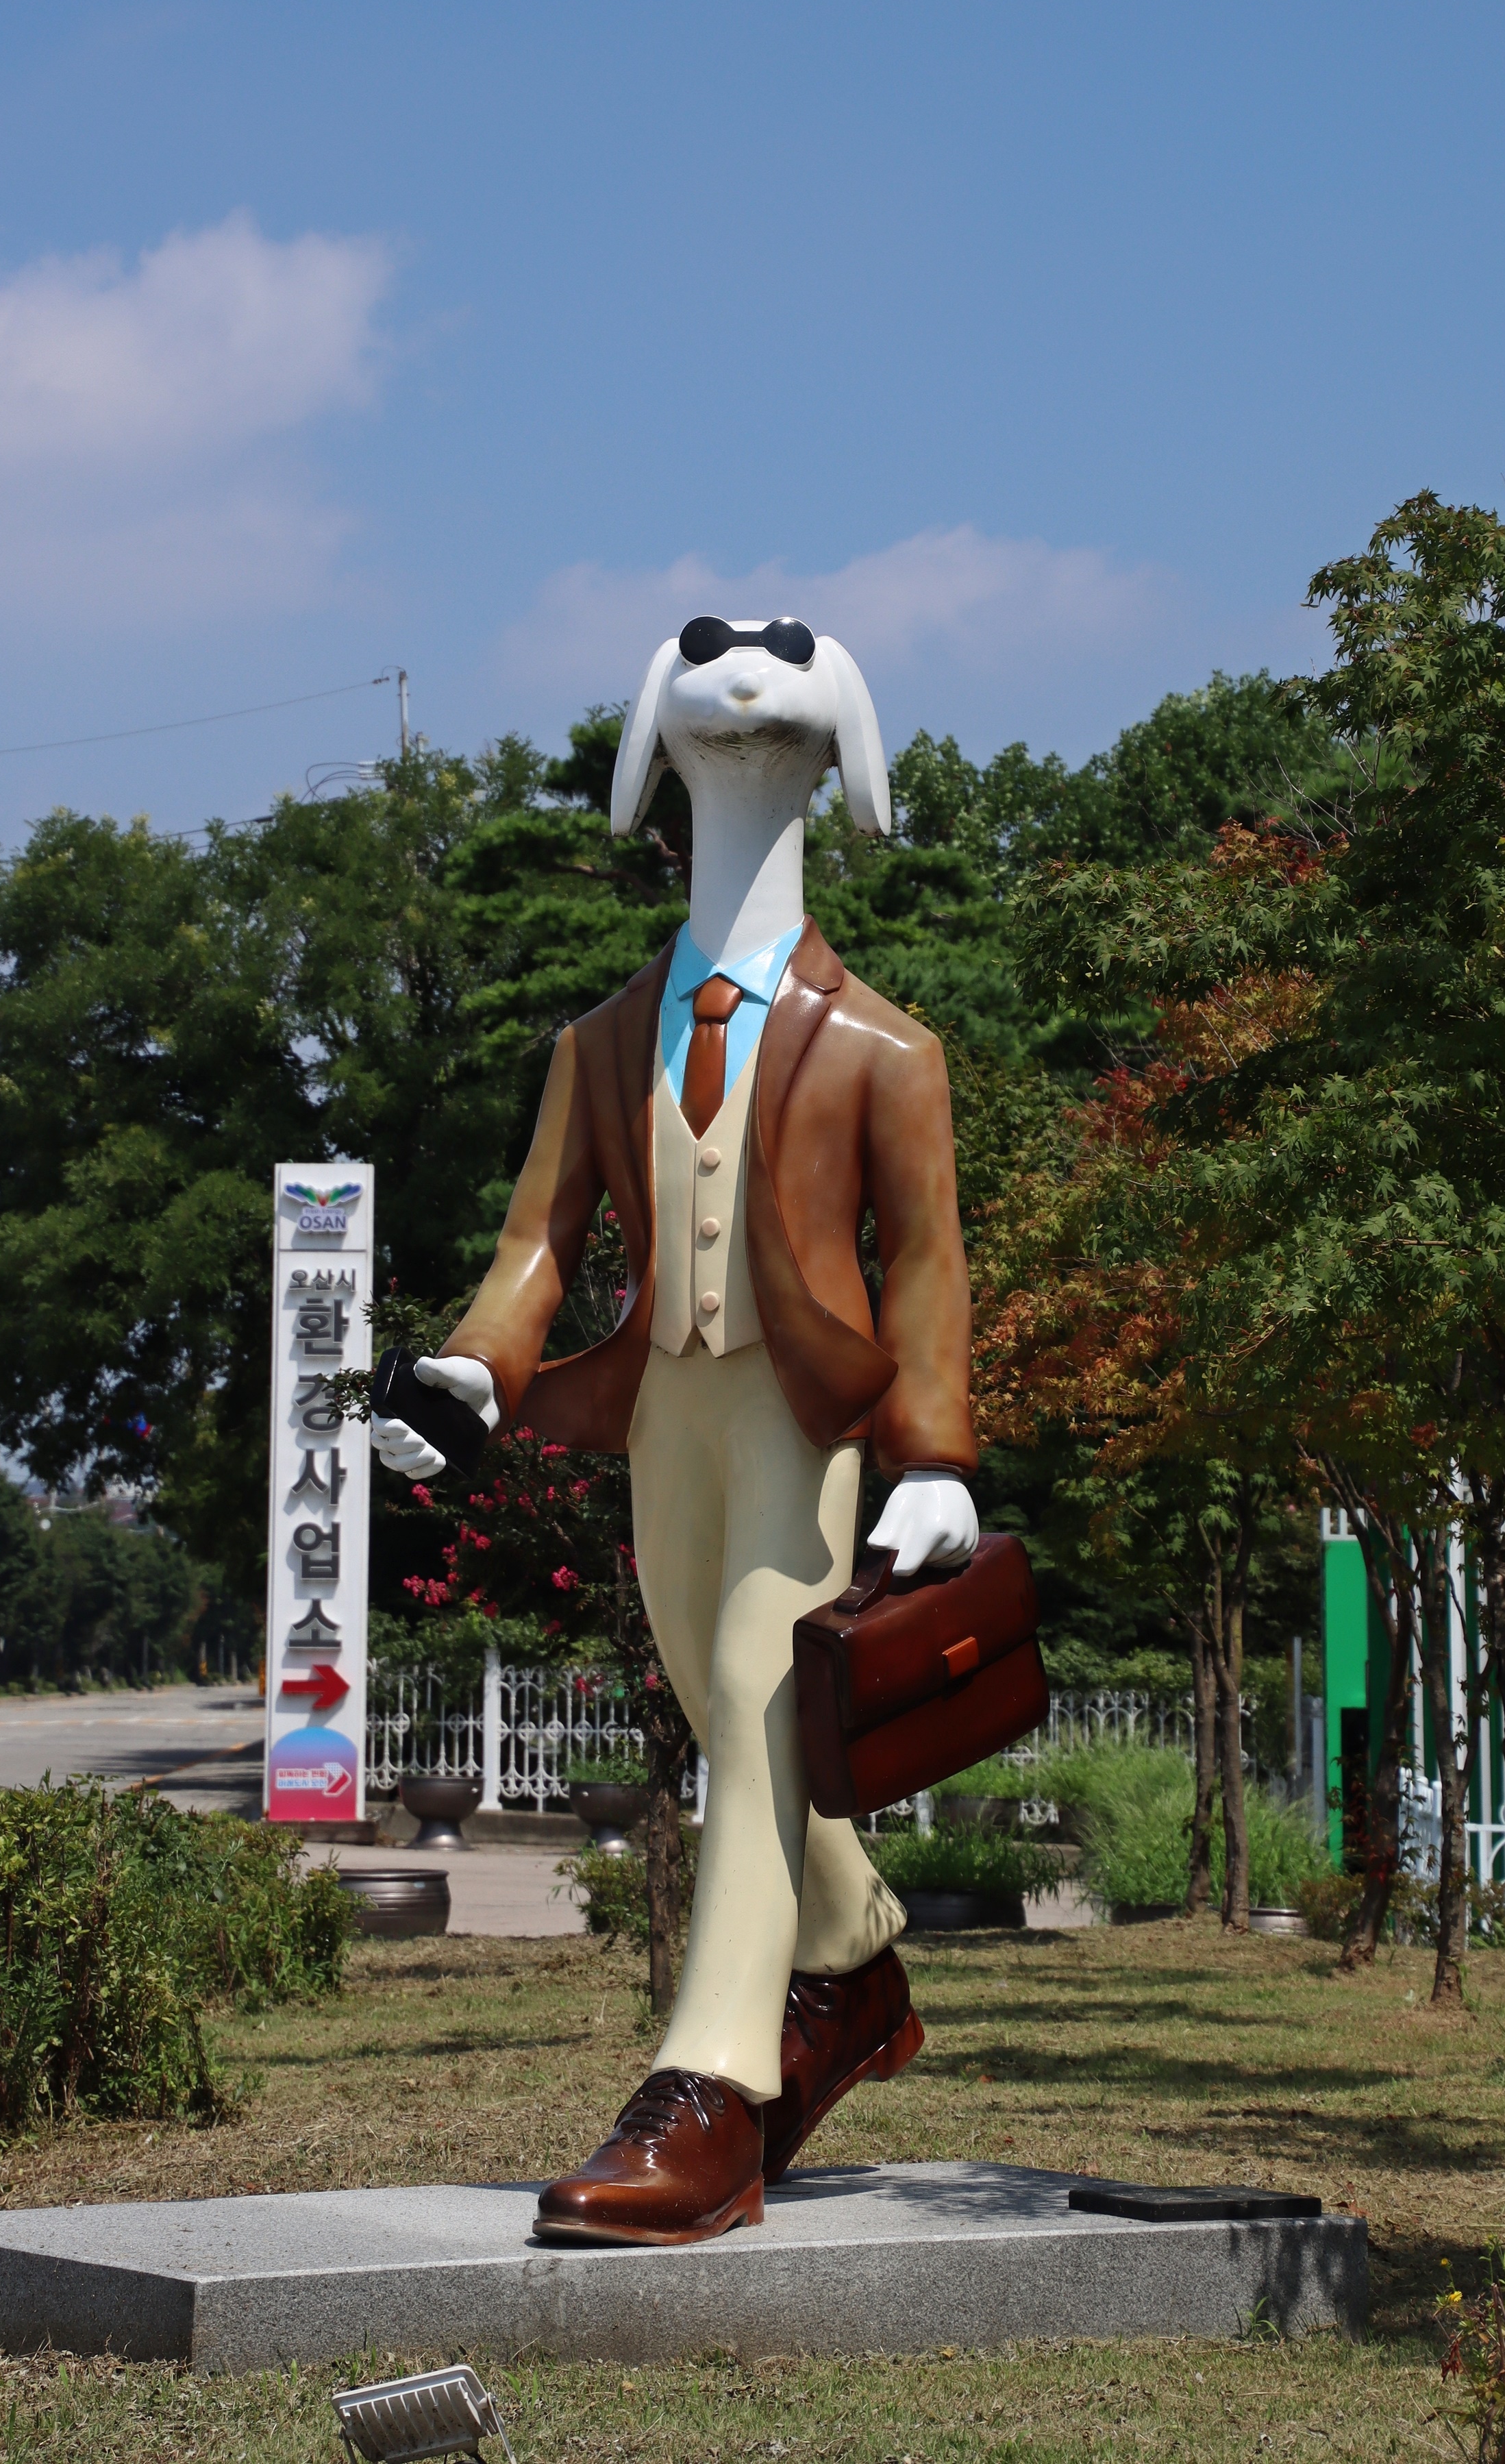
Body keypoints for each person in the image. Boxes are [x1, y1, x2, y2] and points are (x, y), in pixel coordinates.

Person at [375, 615, 979, 2244]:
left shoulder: (889, 1051)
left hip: (802, 1414)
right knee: (734, 1714)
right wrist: (474, 1375)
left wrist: (934, 1460)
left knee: (758, 1694)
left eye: (784, 664)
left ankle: (709, 2086)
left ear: (843, 747)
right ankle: (853, 1964)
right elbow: (537, 1245)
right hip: (662, 1408)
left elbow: (927, 1265)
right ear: (658, 740)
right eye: (712, 659)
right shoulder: (597, 1046)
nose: (746, 673)